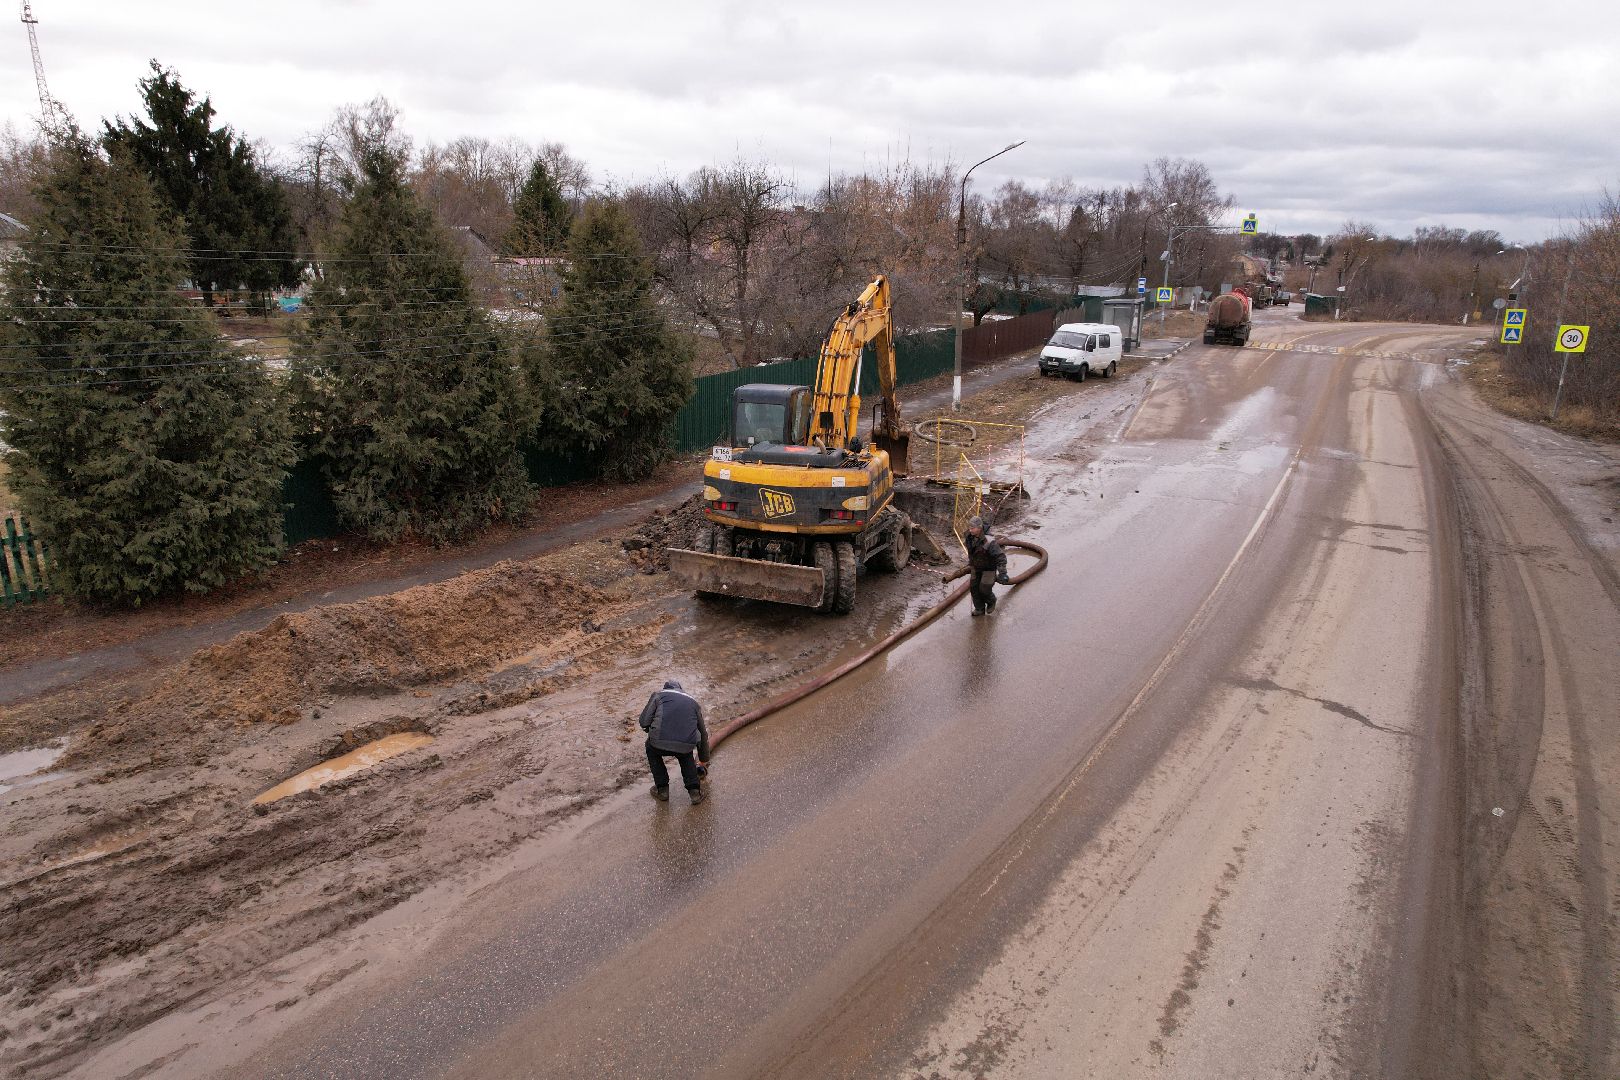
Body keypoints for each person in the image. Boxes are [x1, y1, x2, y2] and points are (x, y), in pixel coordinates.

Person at [638, 678, 711, 804]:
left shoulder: (658, 695)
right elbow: (703, 733)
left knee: (650, 748)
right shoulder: (693, 702)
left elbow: (644, 721)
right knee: (686, 753)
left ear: (666, 688)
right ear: (680, 690)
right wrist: (704, 759)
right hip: (685, 745)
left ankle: (662, 790)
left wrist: (651, 729)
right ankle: (695, 793)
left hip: (658, 743)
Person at [964, 516, 1010, 616]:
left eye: (972, 528)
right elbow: (971, 551)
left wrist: (1003, 573)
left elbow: (1000, 557)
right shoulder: (969, 537)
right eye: (969, 528)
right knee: (974, 588)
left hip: (989, 568)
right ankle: (979, 609)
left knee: (984, 589)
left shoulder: (989, 541)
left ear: (979, 528)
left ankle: (991, 600)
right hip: (976, 567)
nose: (970, 530)